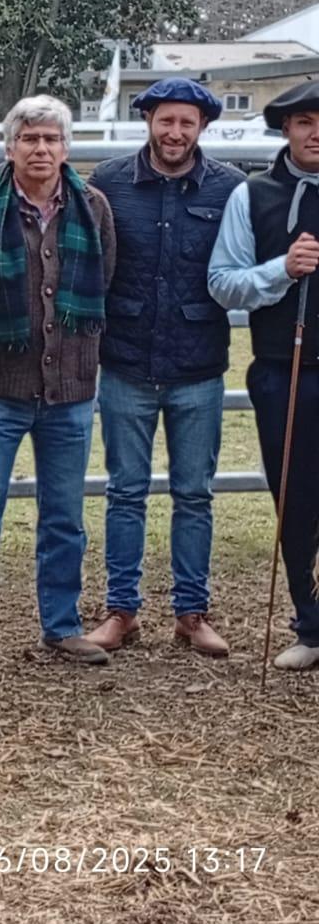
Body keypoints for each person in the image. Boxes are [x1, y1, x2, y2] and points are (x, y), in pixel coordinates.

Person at [84, 79, 242, 659]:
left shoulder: (231, 188)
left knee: (195, 494)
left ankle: (191, 611)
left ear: (203, 128)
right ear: (148, 119)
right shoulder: (107, 183)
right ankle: (122, 610)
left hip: (197, 363)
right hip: (125, 359)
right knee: (124, 491)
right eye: (166, 120)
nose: (175, 133)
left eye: (187, 123)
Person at [0, 95, 116, 666]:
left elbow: (106, 280)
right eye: (29, 139)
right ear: (10, 147)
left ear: (66, 147)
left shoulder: (93, 208)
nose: (41, 149)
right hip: (0, 389)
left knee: (64, 515)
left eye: (51, 139)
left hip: (71, 390)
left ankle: (61, 623)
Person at [208, 80, 319, 671]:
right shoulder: (254, 195)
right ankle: (310, 621)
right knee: (295, 497)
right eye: (305, 121)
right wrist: (282, 268)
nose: (317, 132)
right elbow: (223, 280)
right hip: (286, 368)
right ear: (286, 129)